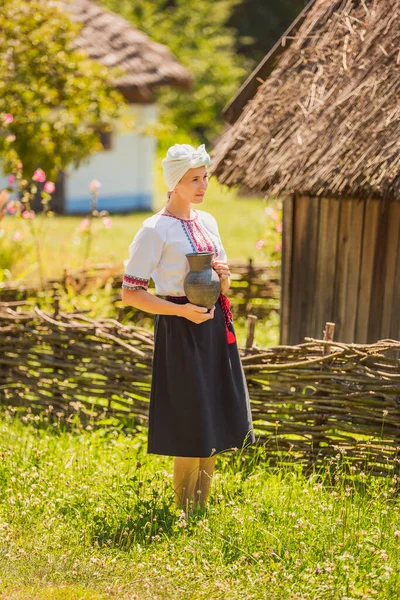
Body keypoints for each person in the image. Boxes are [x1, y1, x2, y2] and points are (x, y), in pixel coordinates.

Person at [121, 143, 255, 512]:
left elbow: (220, 283)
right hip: (180, 330)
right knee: (191, 424)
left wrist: (224, 280)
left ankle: (200, 510)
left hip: (213, 327)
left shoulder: (208, 222)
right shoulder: (154, 230)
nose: (203, 185)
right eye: (194, 179)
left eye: (205, 177)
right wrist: (181, 313)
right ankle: (183, 513)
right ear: (175, 183)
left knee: (211, 419)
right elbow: (131, 294)